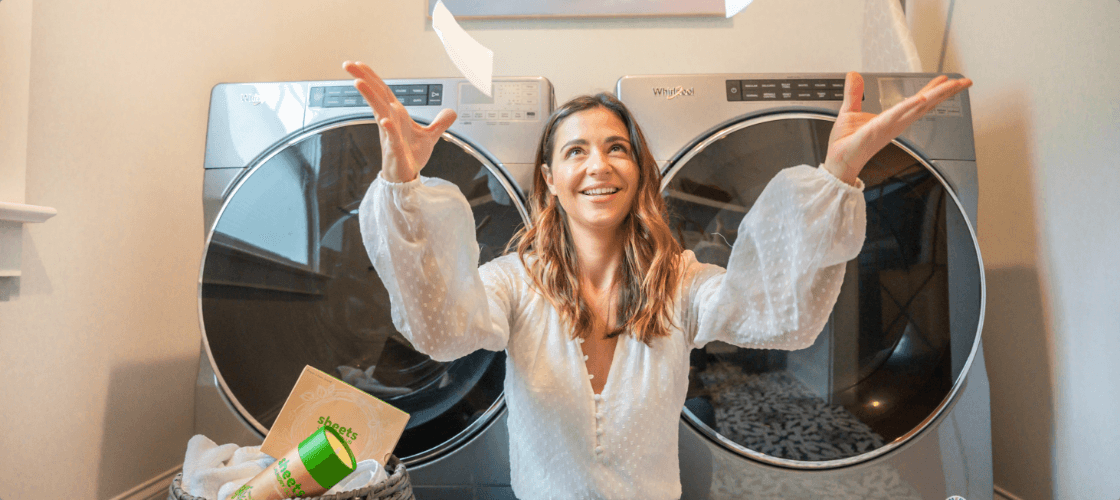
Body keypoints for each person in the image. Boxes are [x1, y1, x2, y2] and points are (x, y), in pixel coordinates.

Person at [345, 60, 971, 500]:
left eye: (617, 149)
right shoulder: (515, 283)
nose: (599, 165)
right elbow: (442, 325)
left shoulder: (678, 283)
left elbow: (774, 312)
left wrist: (837, 173)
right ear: (551, 180)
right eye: (576, 151)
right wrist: (402, 188)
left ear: (640, 172)